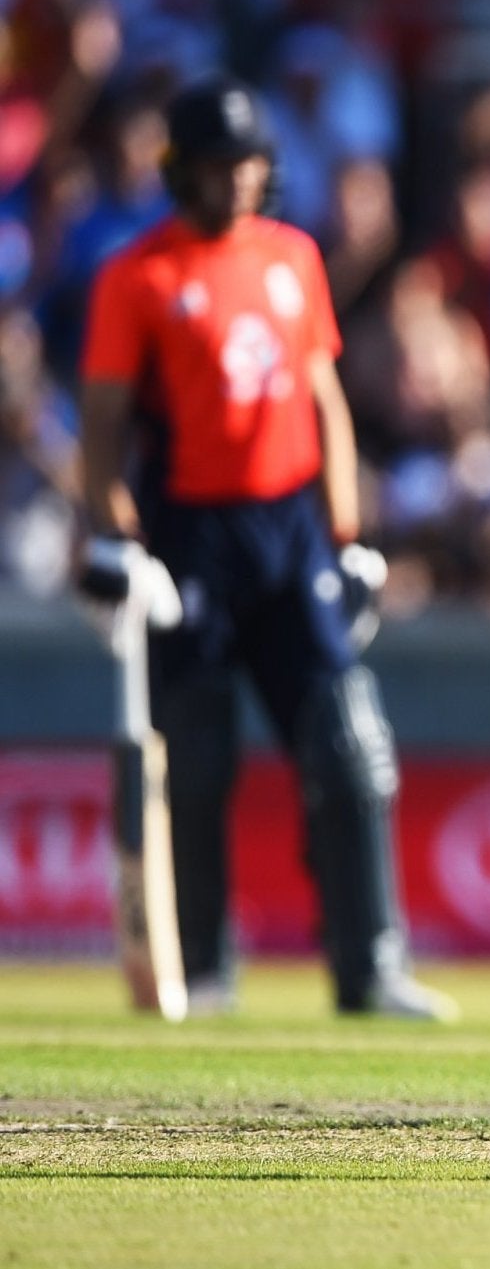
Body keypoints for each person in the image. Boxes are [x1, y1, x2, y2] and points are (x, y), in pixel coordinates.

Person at [75, 75, 454, 1021]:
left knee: (350, 746)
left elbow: (323, 399)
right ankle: (202, 968)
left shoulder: (293, 258)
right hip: (189, 533)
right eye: (216, 167)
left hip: (290, 532)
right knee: (196, 760)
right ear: (177, 172)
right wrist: (118, 539)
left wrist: (350, 534)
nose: (236, 184)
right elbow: (102, 429)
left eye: (248, 166)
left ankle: (369, 968)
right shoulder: (140, 275)